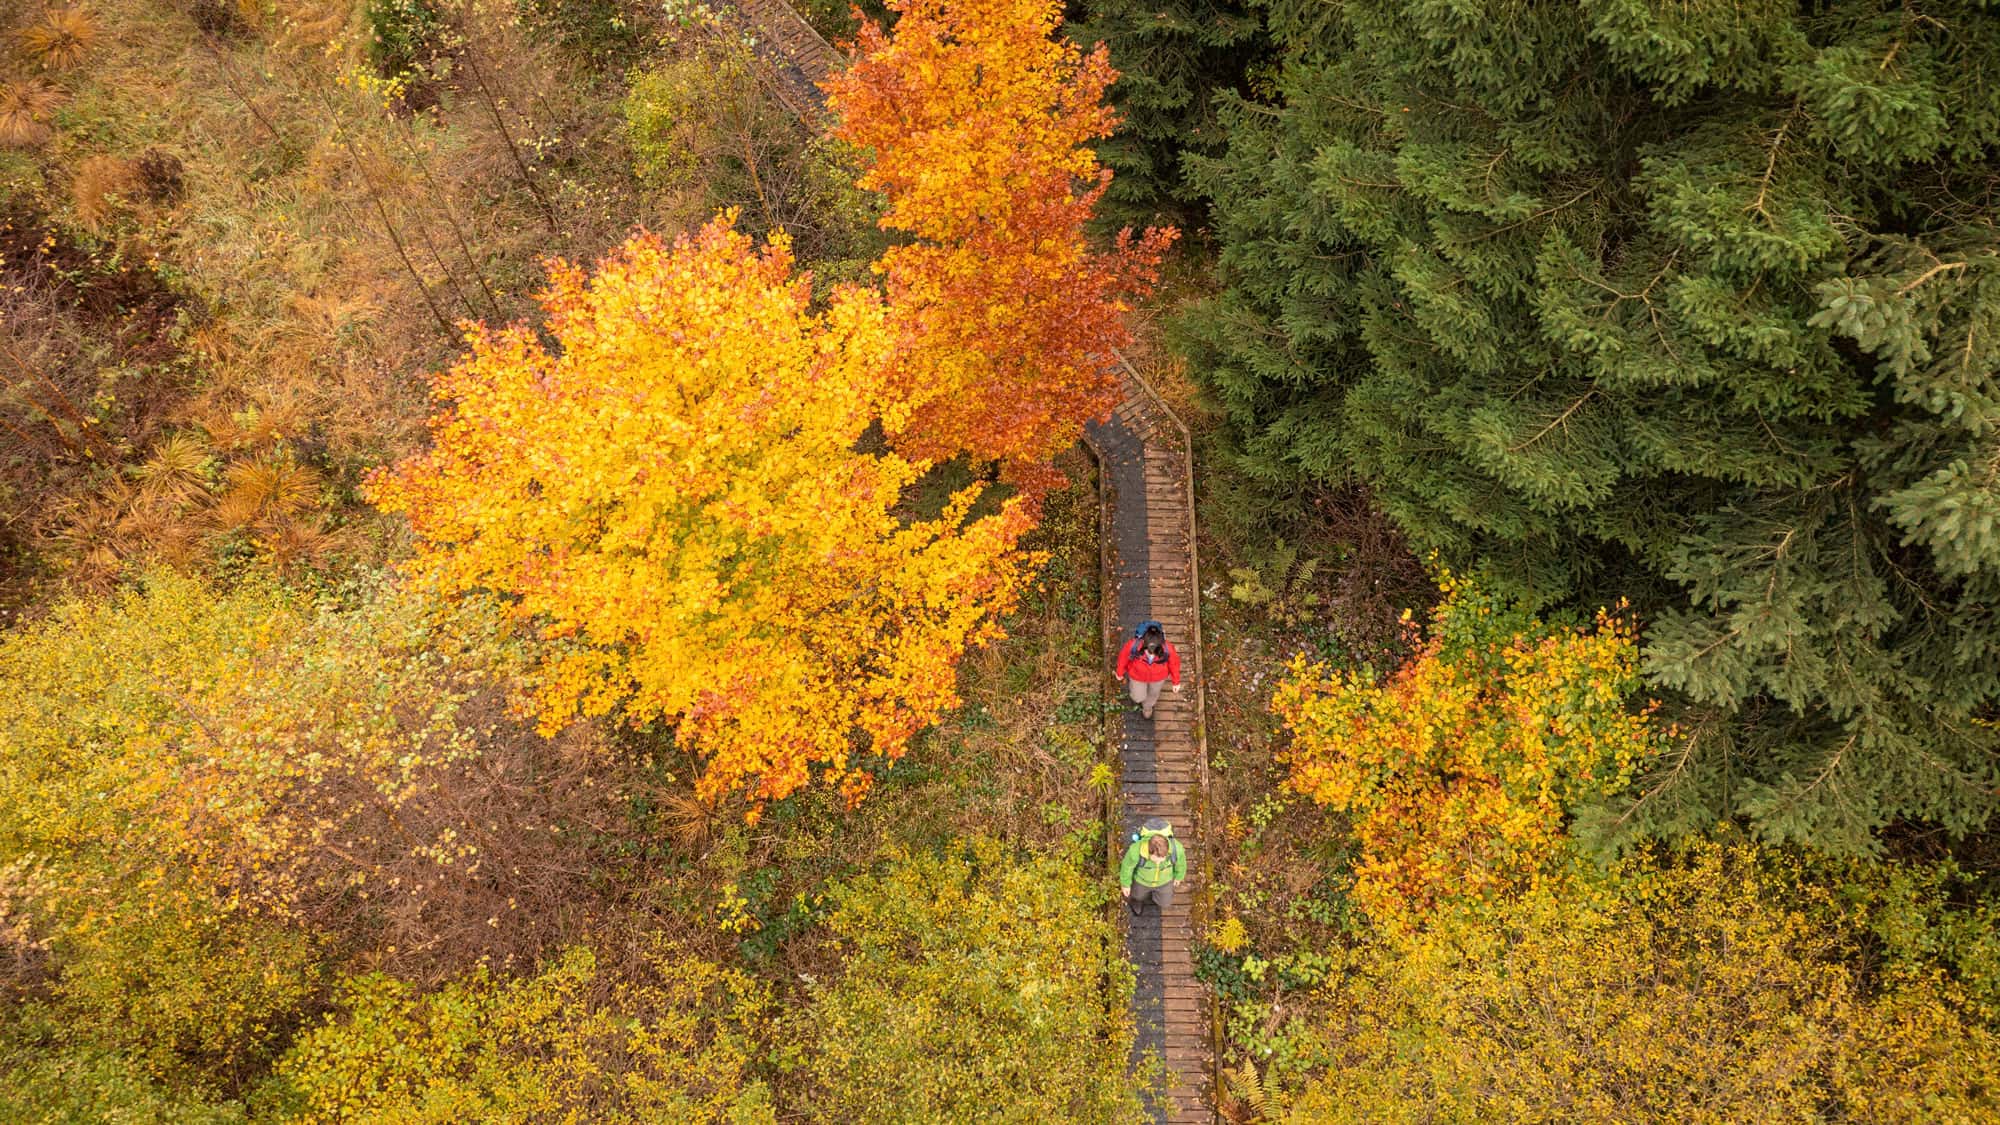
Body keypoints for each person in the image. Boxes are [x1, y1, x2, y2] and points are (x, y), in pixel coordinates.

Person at [1119, 817, 1187, 916]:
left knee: (1165, 902)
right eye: (1156, 859)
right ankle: (1137, 902)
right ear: (1149, 851)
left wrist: (1179, 876)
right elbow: (1127, 868)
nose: (1160, 862)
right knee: (1137, 896)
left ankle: (1156, 898)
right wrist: (1125, 884)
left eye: (1163, 858)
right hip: (1141, 880)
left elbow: (1181, 864)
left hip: (1165, 881)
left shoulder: (1177, 849)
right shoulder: (1135, 851)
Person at [1115, 620, 1181, 720]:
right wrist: (1120, 672)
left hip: (1158, 678)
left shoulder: (1168, 649)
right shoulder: (1133, 645)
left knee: (1153, 695)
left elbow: (1174, 664)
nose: (1151, 654)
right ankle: (1140, 698)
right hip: (1137, 676)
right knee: (1137, 697)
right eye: (1149, 650)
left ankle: (1147, 707)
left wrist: (1176, 682)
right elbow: (1123, 658)